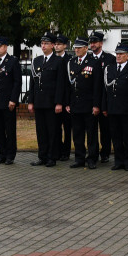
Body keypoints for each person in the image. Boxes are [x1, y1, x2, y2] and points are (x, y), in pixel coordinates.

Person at [29, 33, 67, 167]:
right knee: (41, 131)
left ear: (52, 45)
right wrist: (31, 101)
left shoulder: (59, 61)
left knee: (53, 131)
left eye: (46, 43)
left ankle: (52, 157)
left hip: (51, 103)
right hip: (39, 102)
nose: (43, 46)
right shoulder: (37, 61)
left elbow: (60, 84)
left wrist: (59, 102)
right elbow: (32, 83)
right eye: (42, 44)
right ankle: (42, 156)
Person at [104, 44, 128, 171]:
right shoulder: (110, 69)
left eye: (121, 54)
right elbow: (106, 90)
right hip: (113, 108)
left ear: (127, 56)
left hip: (127, 109)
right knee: (116, 137)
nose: (118, 56)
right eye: (117, 54)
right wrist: (105, 107)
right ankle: (118, 161)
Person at [65, 37, 102, 169]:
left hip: (89, 104)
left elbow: (97, 86)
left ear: (86, 48)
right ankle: (79, 158)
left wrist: (96, 105)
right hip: (75, 104)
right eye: (75, 47)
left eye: (79, 48)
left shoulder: (93, 62)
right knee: (77, 133)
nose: (77, 50)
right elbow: (68, 86)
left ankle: (92, 158)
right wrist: (67, 103)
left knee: (91, 134)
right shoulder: (72, 62)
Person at [0, 35, 22, 165]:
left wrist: (13, 100)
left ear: (6, 47)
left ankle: (10, 155)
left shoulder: (12, 61)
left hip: (8, 102)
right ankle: (1, 153)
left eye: (0, 46)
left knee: (10, 129)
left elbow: (17, 82)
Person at [87, 32, 112, 163]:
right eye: (91, 42)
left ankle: (105, 152)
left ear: (101, 43)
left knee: (105, 128)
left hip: (105, 97)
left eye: (95, 42)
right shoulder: (88, 59)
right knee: (91, 129)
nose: (92, 45)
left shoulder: (109, 59)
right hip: (90, 98)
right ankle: (93, 153)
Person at [54, 34, 73, 161]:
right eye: (55, 44)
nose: (56, 46)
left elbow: (70, 84)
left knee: (67, 128)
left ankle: (66, 151)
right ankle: (58, 150)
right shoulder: (52, 59)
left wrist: (68, 102)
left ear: (65, 46)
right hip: (54, 100)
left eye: (59, 44)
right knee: (55, 128)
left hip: (66, 100)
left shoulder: (70, 60)